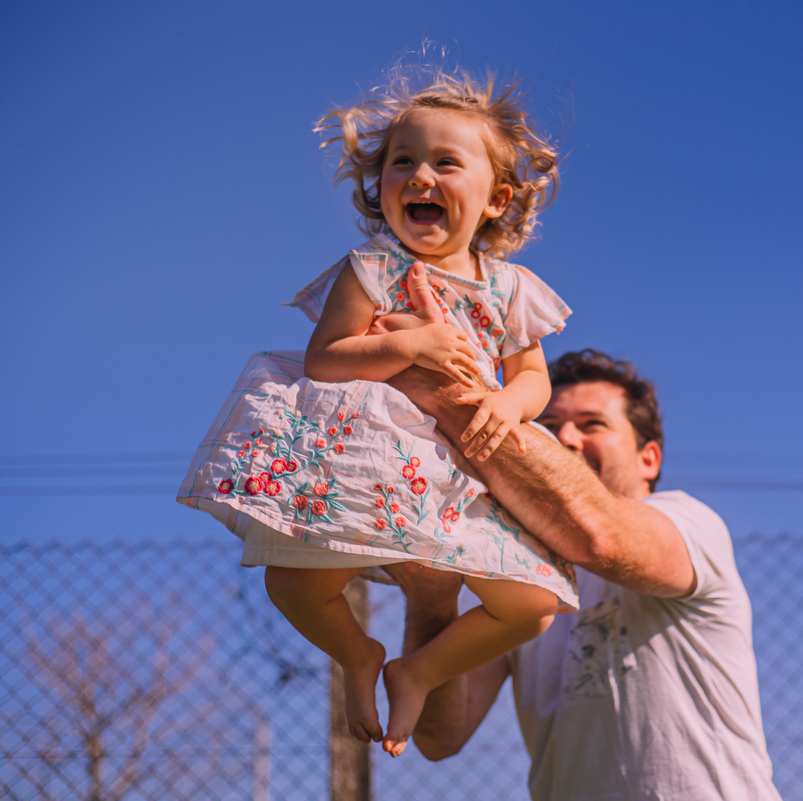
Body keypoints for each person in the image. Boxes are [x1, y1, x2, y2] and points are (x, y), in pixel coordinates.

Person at [176, 68, 581, 758]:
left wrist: (508, 403)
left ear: (495, 199)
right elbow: (328, 357)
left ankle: (417, 668)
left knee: (532, 604)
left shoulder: (512, 288)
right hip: (371, 469)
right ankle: (359, 655)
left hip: (461, 474)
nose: (420, 175)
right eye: (403, 162)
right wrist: (408, 343)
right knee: (292, 583)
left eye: (445, 162)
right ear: (380, 186)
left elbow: (534, 379)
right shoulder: (369, 268)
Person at [379, 345, 784, 800]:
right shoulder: (515, 576)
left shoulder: (689, 522)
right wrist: (431, 597)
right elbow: (439, 736)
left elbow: (599, 536)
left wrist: (441, 391)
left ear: (648, 458)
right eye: (547, 426)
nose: (566, 437)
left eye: (593, 424)